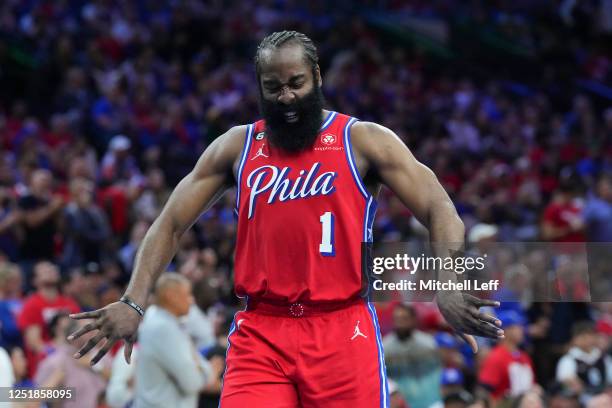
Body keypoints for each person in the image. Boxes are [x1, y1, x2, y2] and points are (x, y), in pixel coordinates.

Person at [69, 30, 503, 407]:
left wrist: (448, 283)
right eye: (273, 86)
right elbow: (169, 223)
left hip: (342, 325)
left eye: (296, 83)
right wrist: (133, 300)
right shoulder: (238, 146)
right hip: (261, 328)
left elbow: (439, 208)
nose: (286, 96)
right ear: (260, 87)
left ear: (317, 77)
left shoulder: (363, 140)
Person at [133, 273, 213, 408]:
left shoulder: (156, 319)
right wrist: (208, 372)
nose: (191, 300)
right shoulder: (164, 328)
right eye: (187, 294)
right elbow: (192, 382)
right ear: (171, 296)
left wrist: (199, 367)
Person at [478, 310, 535, 402]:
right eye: (518, 326)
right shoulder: (496, 357)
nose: (522, 330)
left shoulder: (525, 357)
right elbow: (484, 390)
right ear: (506, 330)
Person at [556, 321, 612, 402]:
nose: (586, 339)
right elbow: (564, 384)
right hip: (579, 400)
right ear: (574, 339)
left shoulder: (604, 358)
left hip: (604, 397)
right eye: (582, 336)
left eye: (589, 335)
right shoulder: (568, 360)